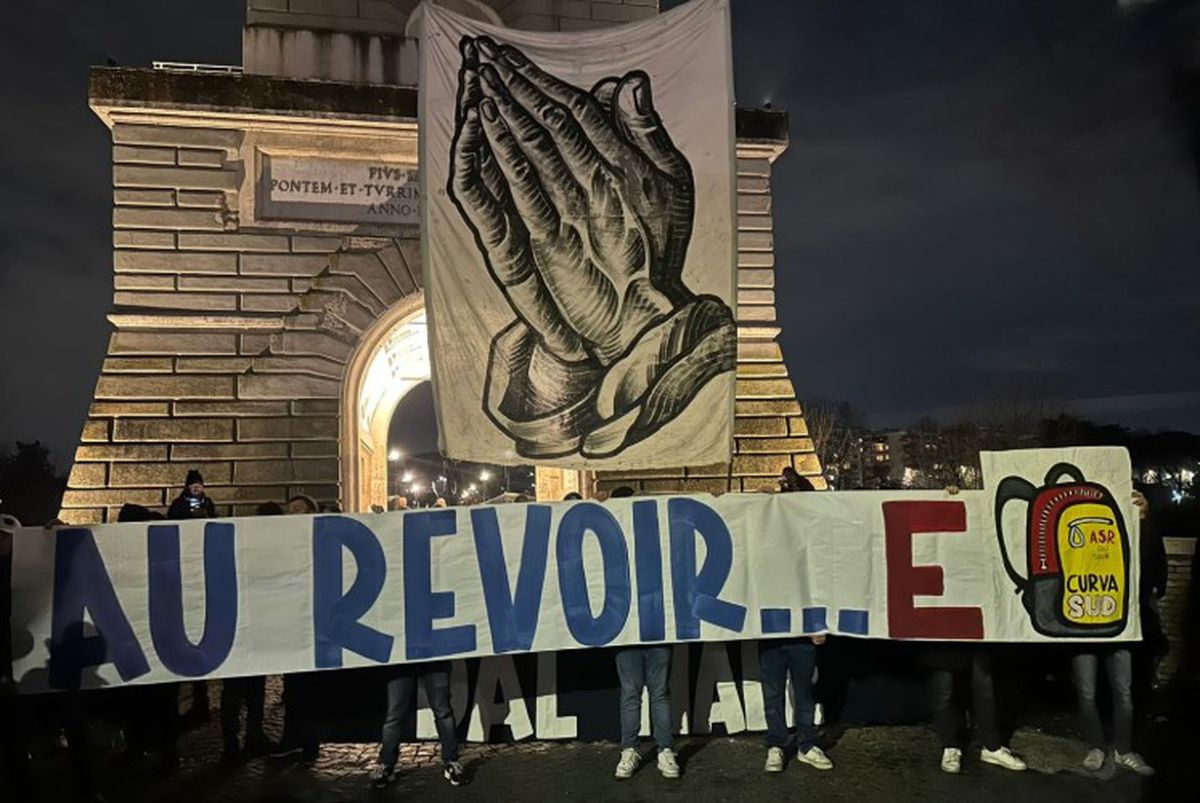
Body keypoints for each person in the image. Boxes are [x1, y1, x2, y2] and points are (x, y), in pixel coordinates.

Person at [919, 487, 1026, 775]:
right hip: (943, 626)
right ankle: (951, 746)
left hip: (976, 625)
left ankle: (991, 746)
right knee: (944, 692)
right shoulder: (937, 540)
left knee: (984, 688)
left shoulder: (982, 539)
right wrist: (947, 499)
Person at [1070, 490, 1157, 777]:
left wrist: (1142, 519)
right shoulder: (1076, 532)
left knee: (1123, 691)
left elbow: (1147, 562)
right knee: (1086, 691)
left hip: (1119, 626)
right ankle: (1095, 747)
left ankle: (1122, 749)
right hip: (1082, 626)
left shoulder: (1125, 531)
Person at [760, 474, 832, 773]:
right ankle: (777, 744)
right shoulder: (764, 532)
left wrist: (822, 623)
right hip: (770, 628)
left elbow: (823, 579)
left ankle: (806, 744)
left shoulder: (811, 539)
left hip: (804, 630)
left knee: (804, 693)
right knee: (773, 693)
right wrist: (759, 494)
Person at [608, 485, 679, 779]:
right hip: (627, 628)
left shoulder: (658, 541)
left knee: (655, 693)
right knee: (633, 693)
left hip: (656, 625)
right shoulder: (612, 547)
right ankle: (631, 749)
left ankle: (664, 749)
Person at [219, 501, 281, 765]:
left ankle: (233, 743)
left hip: (233, 628)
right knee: (251, 689)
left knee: (235, 691)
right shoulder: (272, 549)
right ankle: (249, 737)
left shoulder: (240, 543)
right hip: (254, 627)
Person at [368, 662, 466, 789]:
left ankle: (451, 761)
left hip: (435, 658)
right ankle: (386, 764)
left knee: (443, 712)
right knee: (395, 715)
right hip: (401, 661)